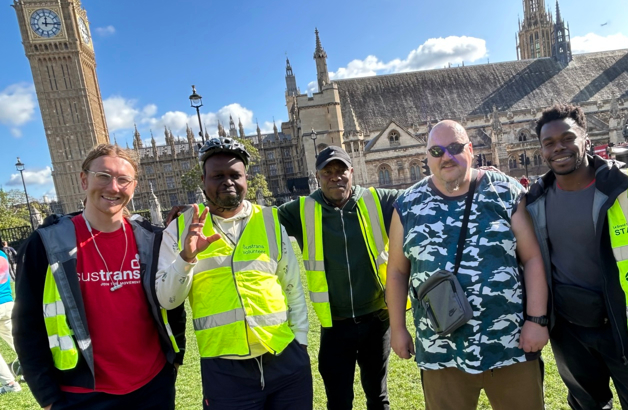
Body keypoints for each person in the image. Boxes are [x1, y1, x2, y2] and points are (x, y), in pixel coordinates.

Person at [525, 104, 628, 410]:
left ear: (586, 139)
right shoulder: (535, 200)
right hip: (570, 333)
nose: (558, 148)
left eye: (567, 138)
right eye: (548, 143)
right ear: (541, 150)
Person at [387, 120, 549, 410]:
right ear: (426, 157)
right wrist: (397, 327)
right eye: (436, 150)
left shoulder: (505, 192)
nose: (445, 156)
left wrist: (536, 321)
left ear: (471, 150)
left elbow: (532, 257)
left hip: (509, 343)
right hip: (440, 349)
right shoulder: (407, 205)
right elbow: (398, 272)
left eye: (454, 148)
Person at [12, 144, 186, 410]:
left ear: (134, 185)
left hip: (153, 386)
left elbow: (171, 302)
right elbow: (27, 324)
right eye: (103, 176)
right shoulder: (47, 244)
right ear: (84, 179)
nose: (113, 187)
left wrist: (176, 357)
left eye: (123, 179)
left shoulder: (152, 239)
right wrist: (47, 398)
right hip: (83, 393)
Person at [156, 137, 312, 410]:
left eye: (234, 175)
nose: (227, 181)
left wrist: (300, 343)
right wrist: (187, 257)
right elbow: (168, 300)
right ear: (203, 180)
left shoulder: (269, 220)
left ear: (246, 179)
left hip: (284, 357)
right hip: (225, 369)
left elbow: (292, 287)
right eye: (217, 175)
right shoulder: (180, 229)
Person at [278, 146, 400, 410]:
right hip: (335, 325)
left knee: (378, 397)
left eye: (341, 170)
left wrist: (475, 175)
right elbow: (255, 219)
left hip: (377, 320)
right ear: (318, 177)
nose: (336, 177)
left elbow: (421, 195)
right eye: (328, 172)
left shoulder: (376, 199)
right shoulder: (302, 209)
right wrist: (201, 211)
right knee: (338, 401)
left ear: (352, 172)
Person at [0, 250, 21, 395]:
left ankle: (9, 383)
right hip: (7, 302)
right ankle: (35, 370)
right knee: (17, 341)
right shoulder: (2, 254)